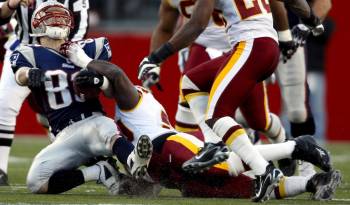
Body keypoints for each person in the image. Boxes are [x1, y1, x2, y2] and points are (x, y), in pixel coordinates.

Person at [66, 50, 339, 201]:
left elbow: (115, 74)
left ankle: (297, 146)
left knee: (227, 164)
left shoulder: (132, 98)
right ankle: (313, 183)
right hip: (171, 177)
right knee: (248, 189)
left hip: (169, 145)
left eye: (93, 85)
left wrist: (78, 57)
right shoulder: (109, 123)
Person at [138, 0, 322, 201]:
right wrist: (312, 20)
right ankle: (214, 144)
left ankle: (267, 169)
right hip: (255, 46)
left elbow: (196, 24)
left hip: (249, 47)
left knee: (219, 117)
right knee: (191, 82)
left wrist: (156, 57)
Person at [10, 1, 153, 194]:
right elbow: (20, 75)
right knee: (36, 183)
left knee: (107, 129)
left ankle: (134, 162)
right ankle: (100, 172)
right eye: (51, 18)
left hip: (93, 122)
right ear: (37, 25)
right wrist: (29, 74)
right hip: (64, 135)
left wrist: (100, 81)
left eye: (60, 18)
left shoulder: (87, 48)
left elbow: (111, 91)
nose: (57, 22)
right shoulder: (30, 53)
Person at [0, 0, 90, 185]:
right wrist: (11, 4)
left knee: (64, 113)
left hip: (59, 54)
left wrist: (56, 58)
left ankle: (87, 160)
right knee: (4, 104)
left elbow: (80, 33)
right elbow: (1, 18)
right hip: (23, 50)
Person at [274, 0, 332, 177]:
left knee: (298, 111)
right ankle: (278, 150)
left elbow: (324, 3)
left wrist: (305, 26)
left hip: (290, 40)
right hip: (249, 38)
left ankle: (307, 169)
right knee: (244, 111)